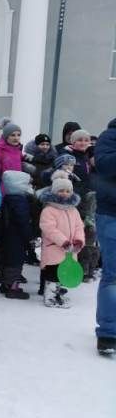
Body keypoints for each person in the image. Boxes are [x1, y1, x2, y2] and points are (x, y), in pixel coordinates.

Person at [38, 176, 84, 308]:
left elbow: (79, 227)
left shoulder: (73, 210)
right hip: (54, 248)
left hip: (70, 251)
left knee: (63, 273)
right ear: (54, 192)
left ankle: (58, 294)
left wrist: (78, 241)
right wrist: (63, 242)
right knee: (53, 274)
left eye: (67, 191)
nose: (64, 193)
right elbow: (49, 229)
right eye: (61, 190)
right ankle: (50, 297)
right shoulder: (49, 210)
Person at [94, 117, 116, 355]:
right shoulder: (110, 136)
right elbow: (104, 164)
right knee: (113, 275)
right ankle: (108, 332)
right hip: (112, 215)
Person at [0, 171, 35, 299]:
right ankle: (13, 287)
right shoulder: (20, 201)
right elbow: (23, 221)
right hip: (17, 237)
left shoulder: (7, 198)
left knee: (7, 259)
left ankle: (5, 284)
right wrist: (29, 236)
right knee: (16, 261)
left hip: (7, 235)